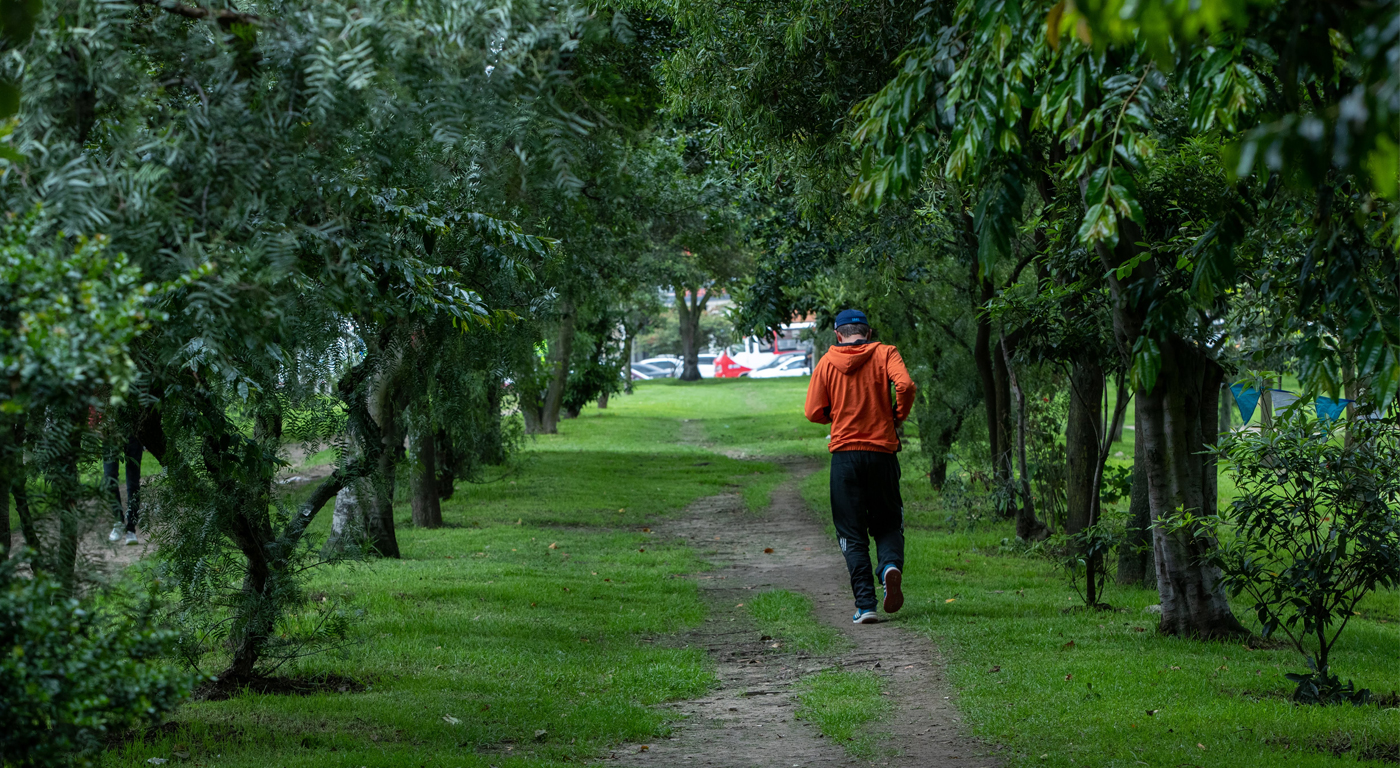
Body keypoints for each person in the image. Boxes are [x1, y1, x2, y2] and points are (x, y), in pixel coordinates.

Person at [803, 309, 916, 624]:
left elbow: (813, 411)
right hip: (882, 453)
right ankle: (890, 565)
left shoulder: (826, 362)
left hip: (845, 458)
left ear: (839, 335)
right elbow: (906, 385)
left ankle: (866, 605)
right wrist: (898, 415)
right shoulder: (885, 353)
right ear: (867, 332)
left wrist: (834, 415)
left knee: (851, 534)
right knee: (888, 524)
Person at [104, 434, 144, 546]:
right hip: (110, 432)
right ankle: (118, 521)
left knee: (133, 480)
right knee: (109, 477)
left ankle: (131, 528)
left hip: (133, 431)